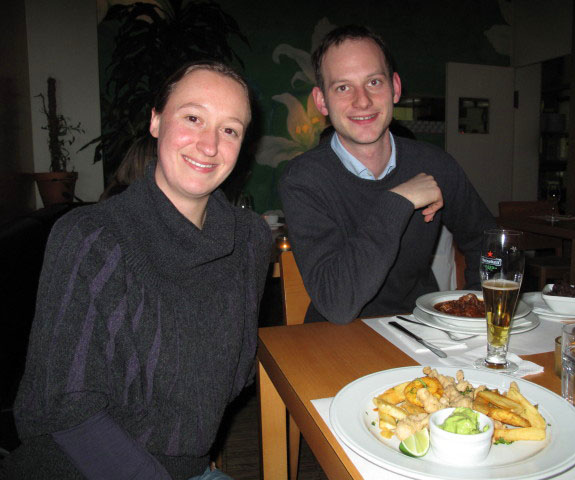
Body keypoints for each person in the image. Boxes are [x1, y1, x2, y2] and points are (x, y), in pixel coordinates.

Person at [5, 61, 272, 479]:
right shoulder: (93, 236)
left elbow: (234, 377)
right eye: (192, 117)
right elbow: (65, 411)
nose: (208, 144)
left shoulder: (251, 240)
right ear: (156, 120)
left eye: (229, 129)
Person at [278, 25, 496, 324]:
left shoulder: (436, 164)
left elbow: (489, 242)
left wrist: (479, 307)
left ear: (394, 87)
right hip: (337, 340)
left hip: (421, 328)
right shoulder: (303, 180)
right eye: (343, 87)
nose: (362, 101)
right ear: (321, 101)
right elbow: (338, 304)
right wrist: (399, 200)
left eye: (374, 82)